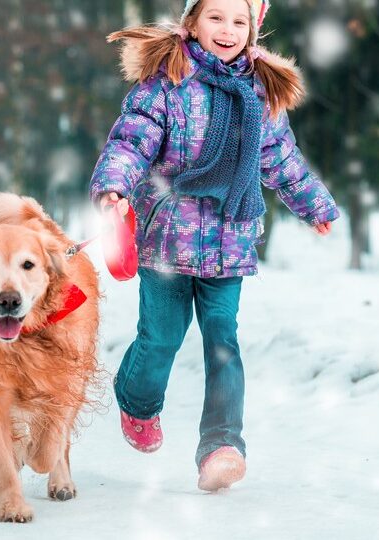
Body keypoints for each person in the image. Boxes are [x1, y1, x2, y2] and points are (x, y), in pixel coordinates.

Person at [89, 0, 339, 491]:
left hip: (230, 240)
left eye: (239, 21)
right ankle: (136, 399)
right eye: (215, 17)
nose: (227, 30)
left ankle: (222, 446)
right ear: (192, 22)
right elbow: (131, 141)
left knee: (223, 339)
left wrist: (314, 203)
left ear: (254, 29)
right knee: (161, 337)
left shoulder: (260, 95)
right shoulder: (167, 82)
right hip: (167, 241)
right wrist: (114, 186)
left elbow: (281, 159)